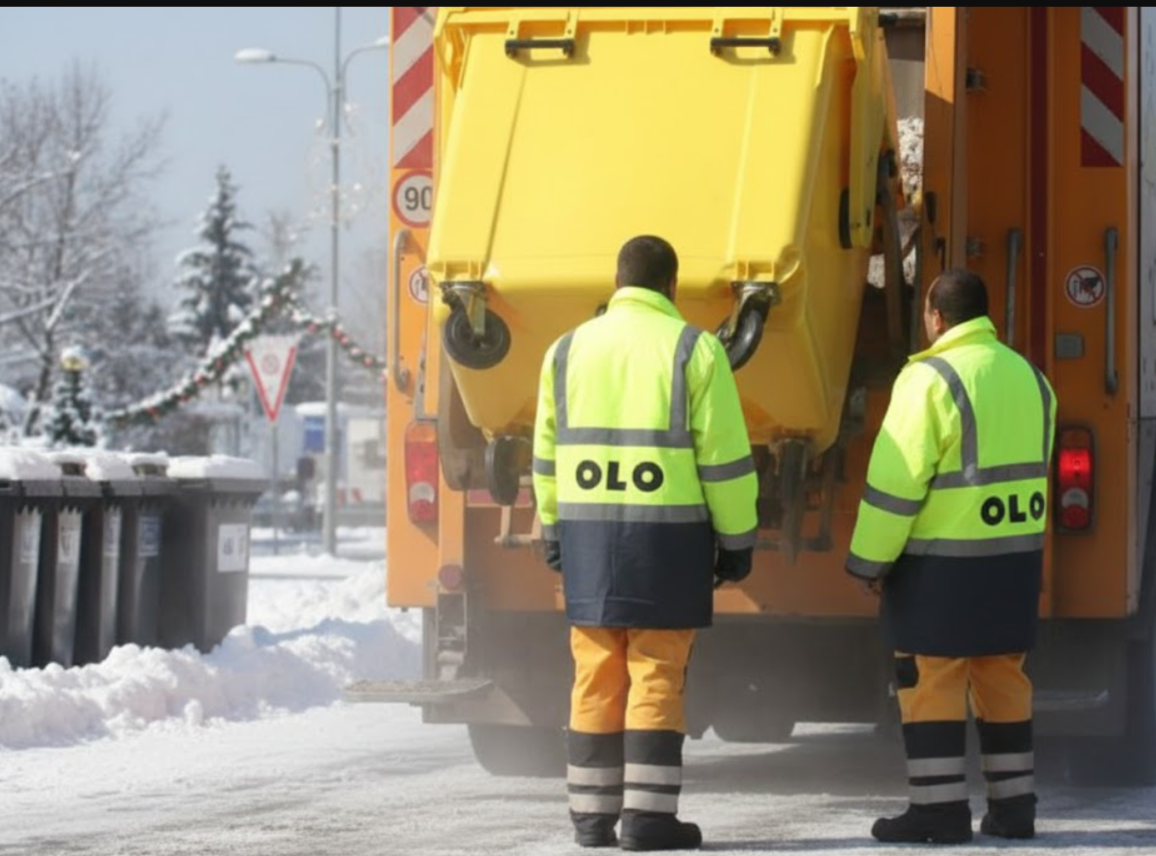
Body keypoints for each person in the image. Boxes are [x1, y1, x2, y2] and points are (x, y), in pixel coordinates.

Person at [532, 235, 759, 851]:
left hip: (587, 542)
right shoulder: (695, 350)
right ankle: (649, 821)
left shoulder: (565, 350)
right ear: (671, 287)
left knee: (594, 676)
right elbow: (724, 463)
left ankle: (590, 818)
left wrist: (553, 530)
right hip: (668, 543)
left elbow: (546, 458)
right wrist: (737, 541)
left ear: (617, 281)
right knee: (656, 675)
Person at [846, 268, 1057, 844]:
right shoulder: (1033, 380)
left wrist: (869, 562)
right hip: (1013, 562)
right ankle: (1015, 811)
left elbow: (896, 486)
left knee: (932, 680)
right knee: (1003, 678)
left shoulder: (929, 380)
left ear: (936, 318)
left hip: (941, 567)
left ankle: (938, 812)